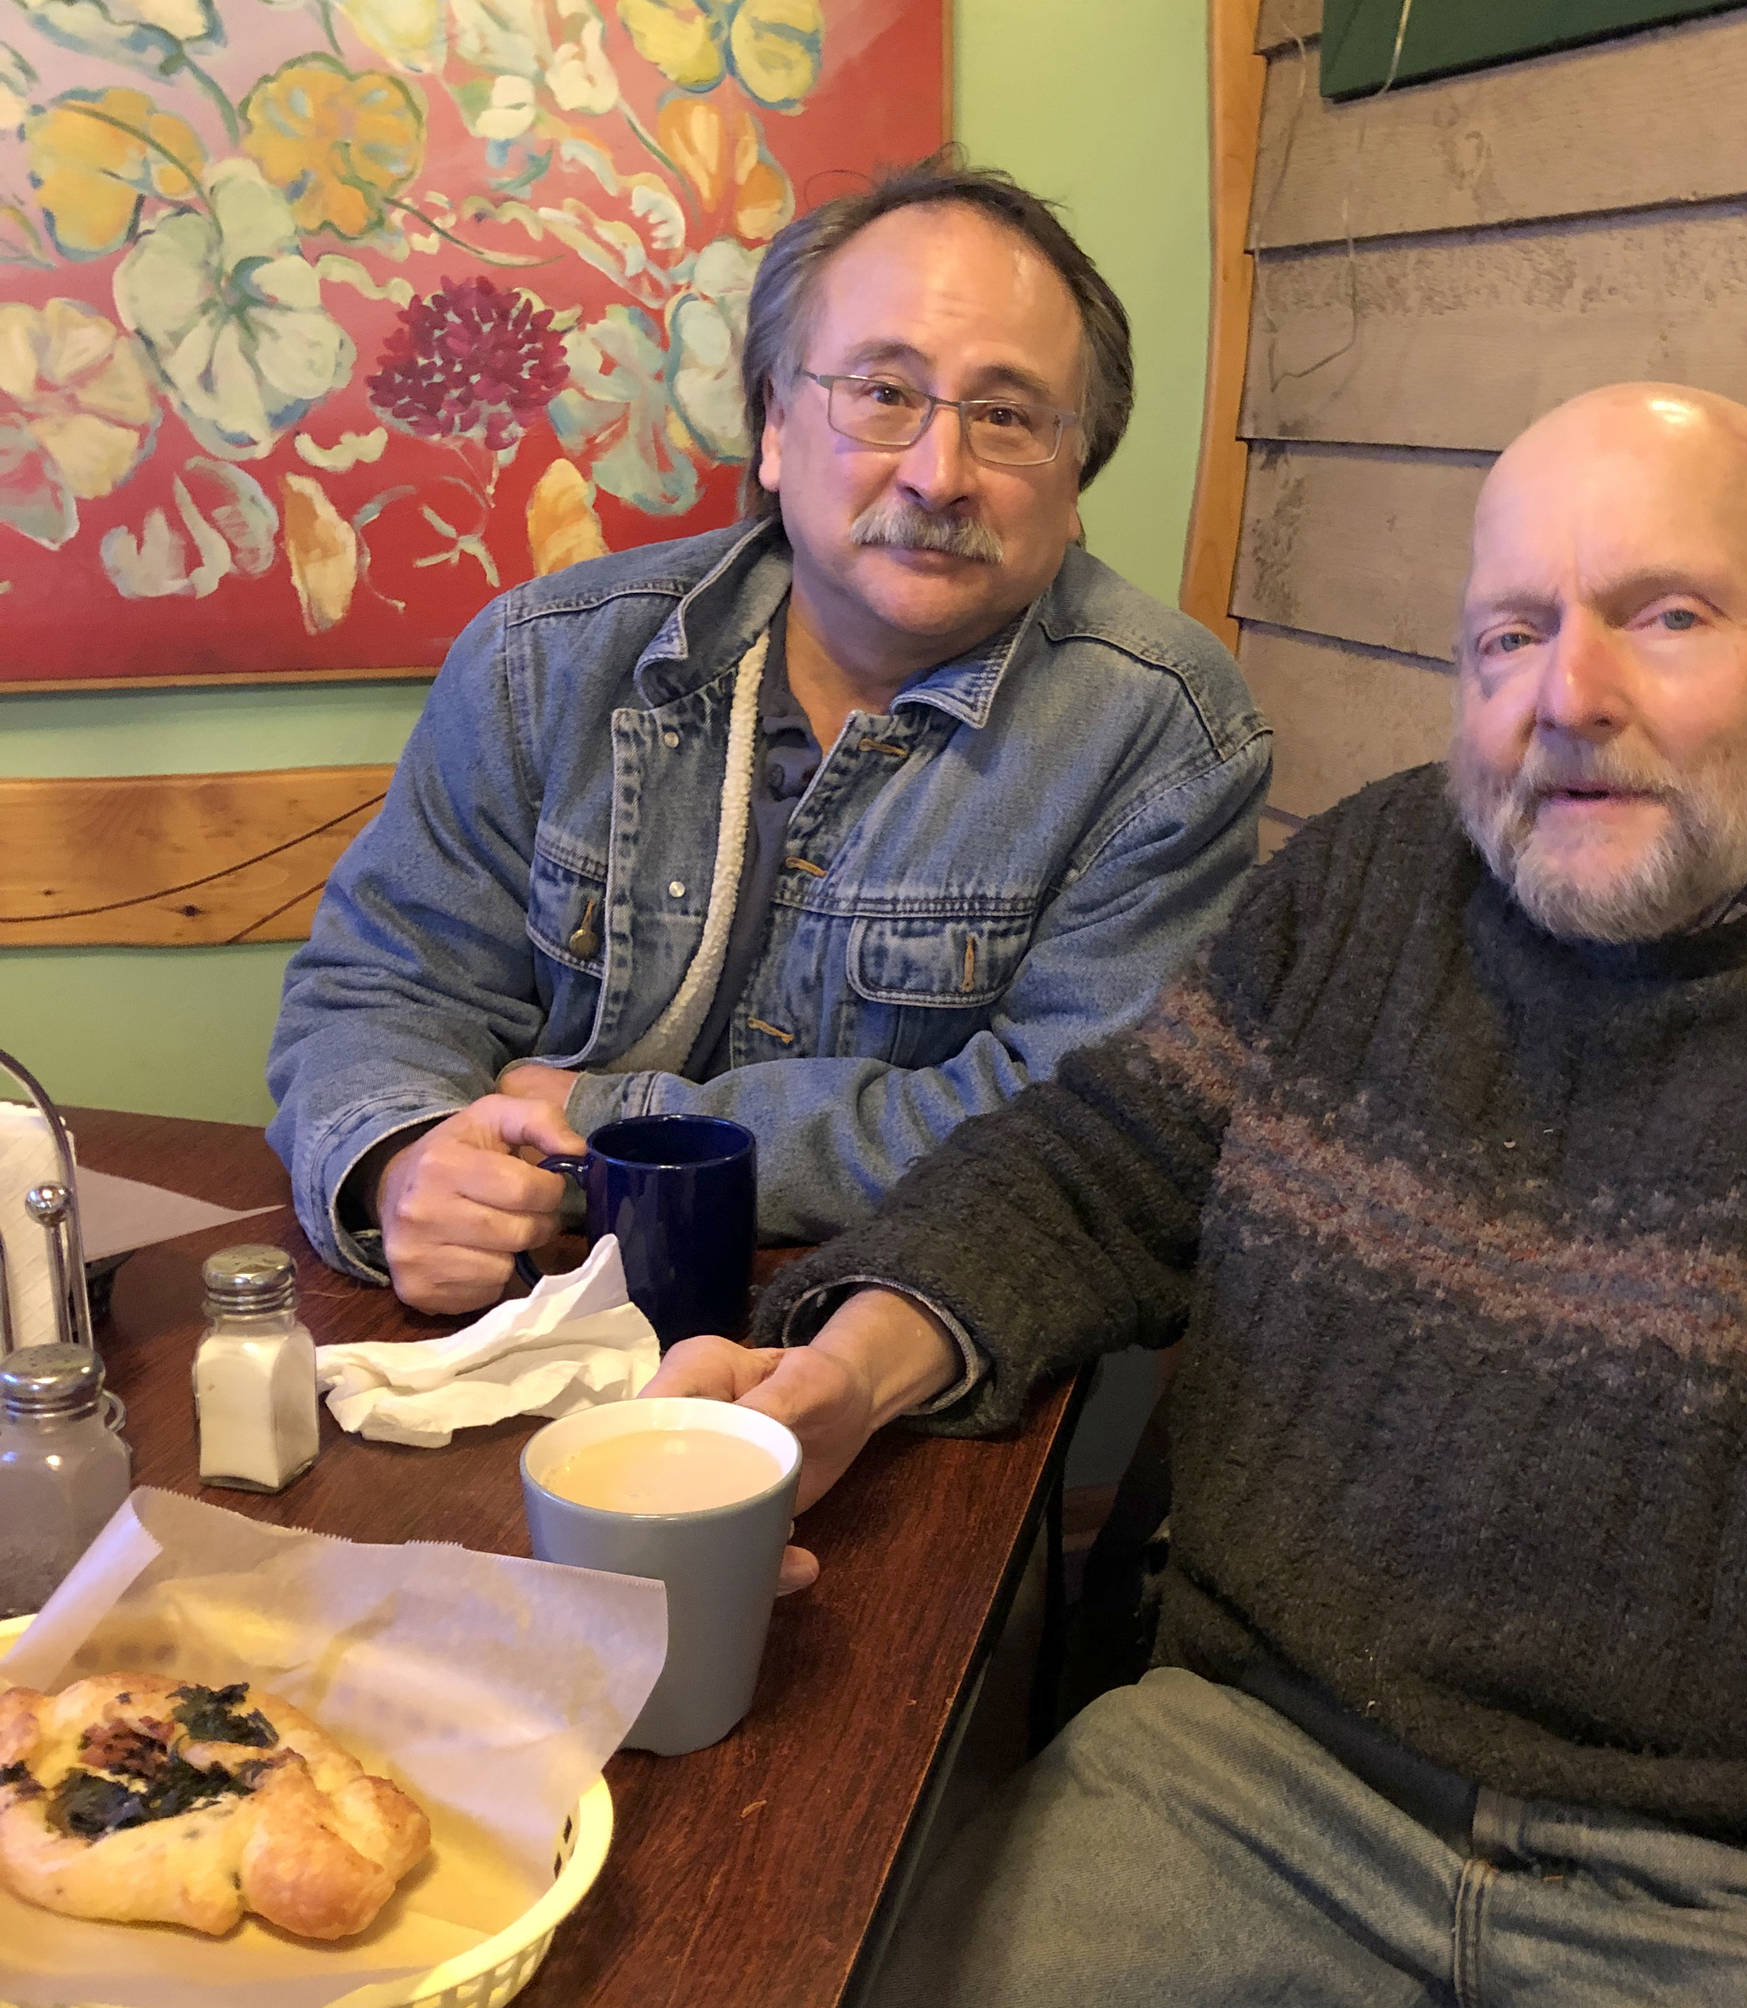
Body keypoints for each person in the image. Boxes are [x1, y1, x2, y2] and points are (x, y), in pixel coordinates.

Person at [658, 385, 1747, 2008]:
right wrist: (845, 1367)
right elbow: (1105, 1160)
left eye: (1663, 616)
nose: (1560, 698)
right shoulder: (1378, 874)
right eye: (1504, 635)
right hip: (1257, 1768)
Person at [266, 155, 1268, 1313]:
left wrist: (598, 1132)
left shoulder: (1165, 734)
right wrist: (401, 1160)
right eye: (883, 394)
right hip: (513, 1314)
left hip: (887, 1332)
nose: (938, 475)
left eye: (1004, 417)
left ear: (1073, 473)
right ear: (777, 428)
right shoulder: (540, 658)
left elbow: (1072, 1121)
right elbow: (383, 983)